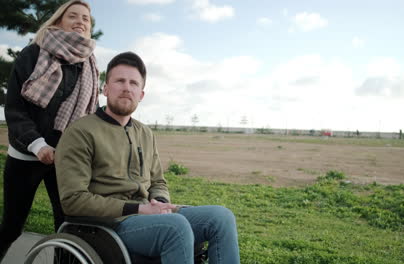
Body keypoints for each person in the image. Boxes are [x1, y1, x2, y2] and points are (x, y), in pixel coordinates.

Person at [55, 52, 240, 264]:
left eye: (133, 83)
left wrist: (159, 203)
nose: (127, 87)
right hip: (109, 224)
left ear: (141, 94)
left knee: (221, 218)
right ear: (105, 89)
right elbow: (73, 201)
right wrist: (140, 209)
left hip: (147, 214)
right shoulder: (81, 132)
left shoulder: (145, 133)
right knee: (175, 227)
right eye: (119, 81)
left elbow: (158, 181)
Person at [0, 0, 99, 261]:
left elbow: (92, 115)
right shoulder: (33, 54)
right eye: (73, 16)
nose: (80, 21)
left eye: (85, 19)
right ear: (57, 22)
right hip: (26, 154)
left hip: (65, 160)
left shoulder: (89, 65)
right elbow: (15, 109)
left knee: (66, 228)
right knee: (11, 227)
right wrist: (37, 144)